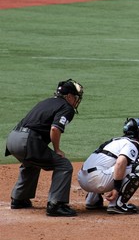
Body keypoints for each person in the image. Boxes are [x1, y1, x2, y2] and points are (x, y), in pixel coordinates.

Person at [5, 79, 84, 217]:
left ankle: (19, 199)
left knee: (31, 162)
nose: (76, 101)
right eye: (76, 97)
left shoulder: (46, 102)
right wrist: (57, 149)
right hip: (27, 141)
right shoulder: (67, 107)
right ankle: (56, 205)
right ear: (69, 96)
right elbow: (55, 129)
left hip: (12, 139)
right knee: (63, 165)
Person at [77, 117, 139, 214]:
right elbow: (121, 162)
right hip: (98, 180)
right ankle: (117, 204)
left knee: (112, 164)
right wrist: (117, 188)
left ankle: (92, 200)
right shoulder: (133, 143)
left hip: (83, 179)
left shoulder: (116, 141)